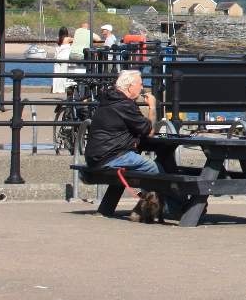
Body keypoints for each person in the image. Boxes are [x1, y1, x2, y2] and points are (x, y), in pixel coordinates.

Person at [85, 70, 163, 218]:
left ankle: (143, 207)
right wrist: (152, 107)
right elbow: (149, 131)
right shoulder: (125, 105)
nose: (142, 88)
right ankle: (162, 208)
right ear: (130, 86)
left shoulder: (108, 99)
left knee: (143, 164)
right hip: (111, 156)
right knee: (155, 168)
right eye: (140, 84)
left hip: (96, 156)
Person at [51, 28, 80, 96]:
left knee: (57, 74)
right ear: (66, 32)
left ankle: (56, 89)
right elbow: (76, 40)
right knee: (64, 74)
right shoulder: (68, 39)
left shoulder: (58, 39)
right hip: (65, 58)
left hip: (58, 57)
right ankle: (62, 89)